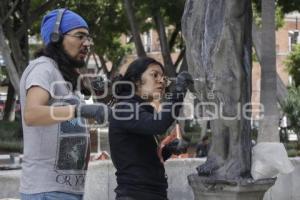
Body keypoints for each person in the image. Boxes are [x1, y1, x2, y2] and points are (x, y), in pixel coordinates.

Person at [19, 9, 108, 200]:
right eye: (80, 36)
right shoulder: (43, 68)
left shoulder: (64, 76)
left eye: (88, 38)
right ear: (56, 36)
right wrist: (79, 110)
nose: (87, 43)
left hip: (66, 190)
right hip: (46, 190)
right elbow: (32, 114)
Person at [109, 57, 193, 200]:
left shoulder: (140, 109)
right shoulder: (125, 108)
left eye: (163, 78)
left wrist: (168, 149)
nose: (161, 81)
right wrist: (178, 91)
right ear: (136, 80)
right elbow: (158, 125)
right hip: (135, 194)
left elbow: (141, 157)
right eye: (154, 75)